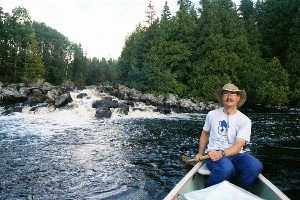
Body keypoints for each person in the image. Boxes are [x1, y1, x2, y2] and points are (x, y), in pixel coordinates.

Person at [194, 83, 263, 189]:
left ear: (238, 98)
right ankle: (208, 191)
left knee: (255, 166)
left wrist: (222, 153)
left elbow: (238, 146)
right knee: (226, 168)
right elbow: (205, 132)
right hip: (213, 153)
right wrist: (200, 153)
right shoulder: (212, 115)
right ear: (222, 97)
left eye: (233, 94)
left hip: (236, 154)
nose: (229, 97)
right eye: (226, 94)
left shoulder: (245, 120)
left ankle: (235, 189)